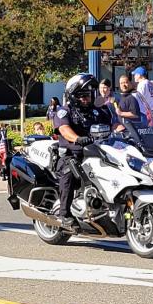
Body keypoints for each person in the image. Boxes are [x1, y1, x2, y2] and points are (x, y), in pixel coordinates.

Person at [49, 74, 99, 224]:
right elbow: (64, 130)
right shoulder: (64, 112)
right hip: (72, 154)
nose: (86, 98)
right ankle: (64, 213)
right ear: (73, 96)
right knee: (69, 171)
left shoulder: (97, 112)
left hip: (95, 152)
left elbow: (115, 124)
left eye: (88, 95)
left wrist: (125, 131)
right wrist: (77, 138)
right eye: (82, 95)